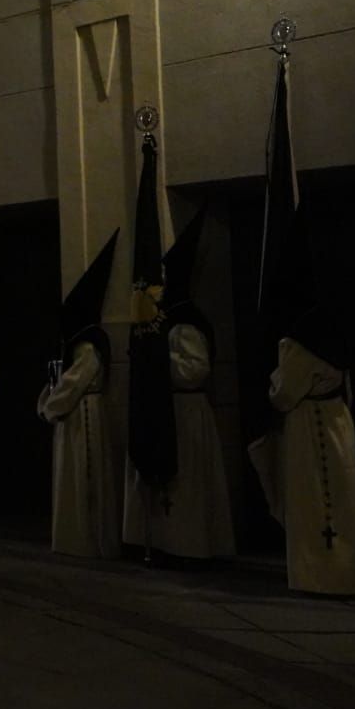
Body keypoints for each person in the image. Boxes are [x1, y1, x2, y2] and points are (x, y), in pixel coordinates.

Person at [249, 209, 355, 596]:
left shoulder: (299, 339)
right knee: (343, 500)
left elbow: (283, 394)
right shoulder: (337, 325)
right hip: (337, 421)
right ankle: (348, 573)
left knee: (313, 501)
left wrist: (272, 384)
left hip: (307, 425)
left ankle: (318, 577)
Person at [122, 212, 235, 561]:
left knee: (186, 488)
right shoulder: (164, 320)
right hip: (167, 408)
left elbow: (195, 370)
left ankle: (189, 547)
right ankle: (162, 542)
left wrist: (157, 361)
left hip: (186, 412)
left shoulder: (186, 322)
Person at [38, 229, 121, 559]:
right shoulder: (83, 343)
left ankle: (88, 542)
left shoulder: (88, 345)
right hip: (77, 413)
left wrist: (49, 405)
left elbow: (73, 384)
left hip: (83, 415)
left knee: (84, 479)